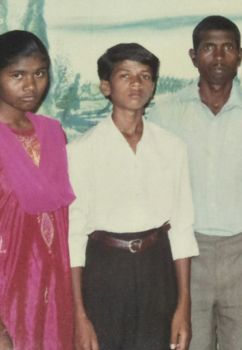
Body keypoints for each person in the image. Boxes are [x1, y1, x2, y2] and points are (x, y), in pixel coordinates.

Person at [149, 15, 242, 350]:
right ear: (194, 56)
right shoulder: (166, 114)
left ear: (240, 55)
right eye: (209, 48)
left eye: (227, 48)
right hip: (186, 255)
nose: (219, 57)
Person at [68, 43, 198, 350]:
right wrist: (79, 314)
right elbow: (73, 236)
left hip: (157, 267)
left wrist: (183, 307)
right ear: (105, 86)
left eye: (145, 76)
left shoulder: (172, 147)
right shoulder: (80, 152)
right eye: (125, 75)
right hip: (105, 270)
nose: (136, 83)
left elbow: (181, 228)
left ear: (153, 85)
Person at [0, 30, 75, 349]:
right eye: (17, 75)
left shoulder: (53, 134)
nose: (31, 86)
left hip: (54, 294)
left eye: (40, 73)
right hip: (4, 292)